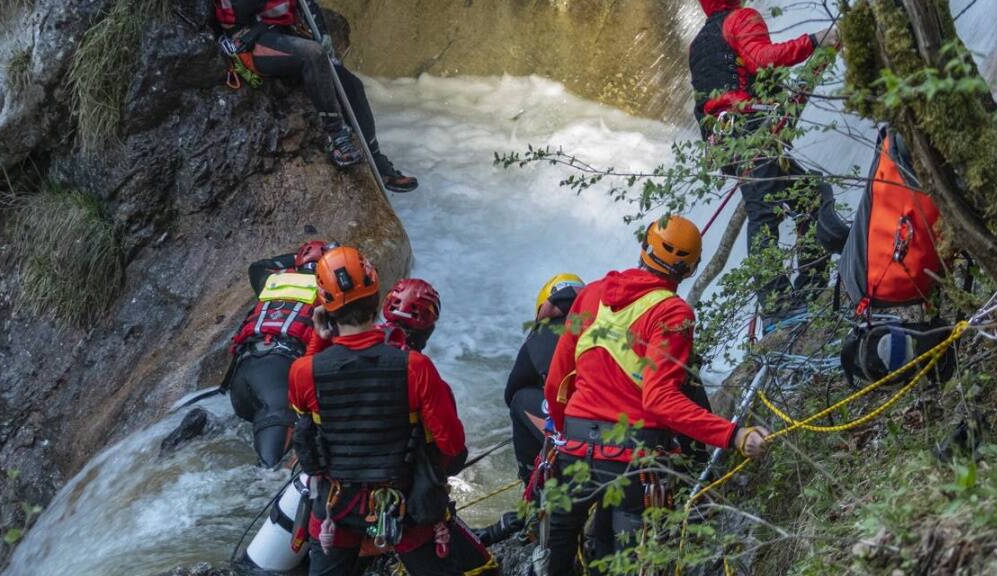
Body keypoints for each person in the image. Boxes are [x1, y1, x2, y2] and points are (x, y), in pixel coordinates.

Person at [541, 215, 771, 574]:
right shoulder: (673, 313)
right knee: (625, 559)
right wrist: (734, 435)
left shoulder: (591, 294)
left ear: (643, 249)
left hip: (574, 444)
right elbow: (660, 399)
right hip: (632, 456)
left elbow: (556, 382)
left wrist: (564, 432)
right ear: (690, 269)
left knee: (559, 544)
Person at [210, 0, 417, 191]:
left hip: (282, 34)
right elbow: (242, 4)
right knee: (311, 54)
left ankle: (378, 161)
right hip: (250, 41)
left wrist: (323, 33)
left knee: (352, 84)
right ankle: (337, 137)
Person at [289, 247, 484, 575]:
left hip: (336, 506)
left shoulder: (304, 371)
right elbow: (452, 443)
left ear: (324, 304)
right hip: (405, 505)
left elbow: (300, 414)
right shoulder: (415, 367)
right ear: (377, 296)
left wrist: (320, 339)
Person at [688, 0, 839, 327]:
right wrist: (815, 40)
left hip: (723, 139)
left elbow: (709, 96)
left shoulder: (698, 44)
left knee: (809, 196)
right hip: (749, 130)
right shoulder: (741, 19)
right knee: (768, 212)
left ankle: (804, 292)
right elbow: (762, 59)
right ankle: (780, 304)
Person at [228, 239, 333, 467]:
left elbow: (257, 266)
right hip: (278, 381)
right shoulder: (329, 292)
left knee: (265, 465)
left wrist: (295, 258)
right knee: (270, 471)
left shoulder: (272, 281)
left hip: (241, 380)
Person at [505, 273, 585, 483]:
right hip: (613, 420)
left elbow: (512, 391)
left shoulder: (541, 335)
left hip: (578, 426)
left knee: (520, 400)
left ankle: (532, 479)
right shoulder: (603, 327)